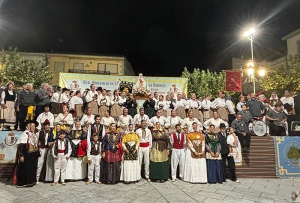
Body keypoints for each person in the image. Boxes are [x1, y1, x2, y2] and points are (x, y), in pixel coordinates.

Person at [14, 120, 39, 187]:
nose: (33, 127)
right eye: (32, 126)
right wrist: (21, 155)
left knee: (32, 168)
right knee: (25, 168)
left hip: (33, 155)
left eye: (34, 126)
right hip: (26, 154)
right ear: (28, 126)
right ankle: (23, 183)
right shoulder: (25, 134)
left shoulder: (34, 134)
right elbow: (20, 145)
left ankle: (31, 182)